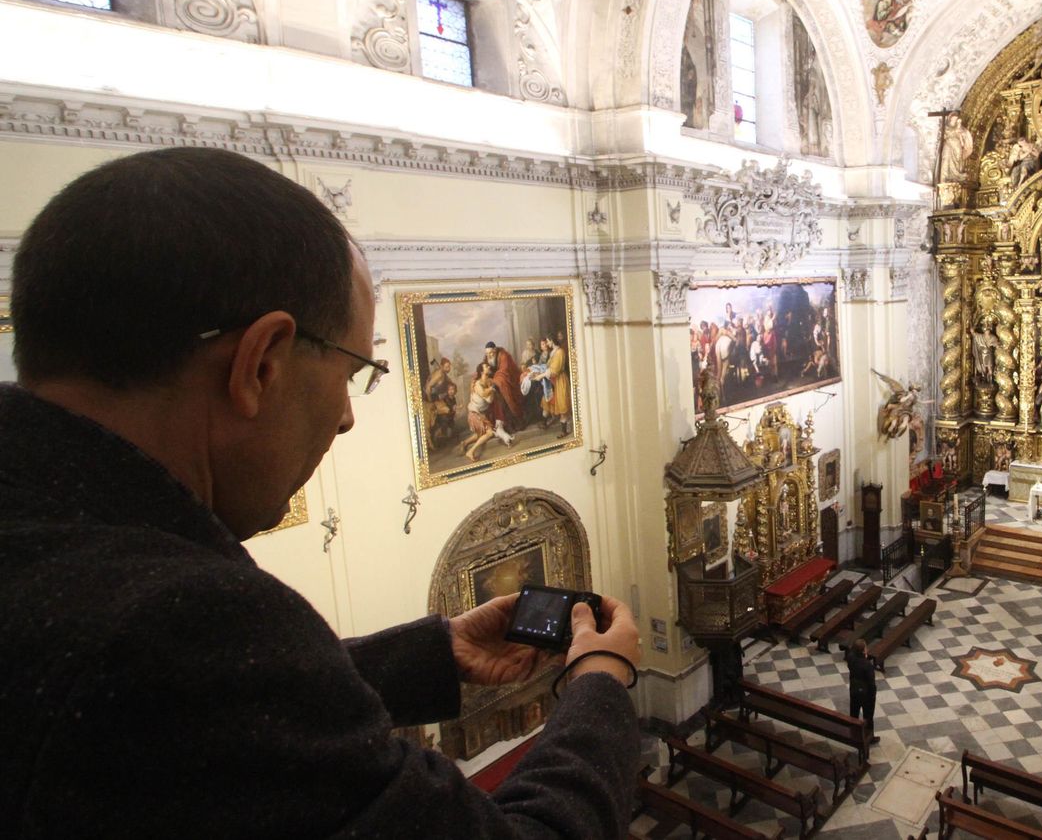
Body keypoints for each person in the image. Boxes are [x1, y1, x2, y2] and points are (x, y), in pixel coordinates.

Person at [0, 147, 643, 838]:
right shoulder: (173, 626)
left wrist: (423, 658)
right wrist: (602, 679)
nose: (345, 415)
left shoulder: (46, 537)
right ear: (261, 363)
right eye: (352, 373)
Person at [845, 639, 881, 746]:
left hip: (854, 690)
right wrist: (873, 695)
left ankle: (853, 735)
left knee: (854, 712)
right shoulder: (867, 665)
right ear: (863, 651)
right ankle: (869, 737)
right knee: (868, 716)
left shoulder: (851, 658)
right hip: (866, 694)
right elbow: (871, 683)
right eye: (865, 648)